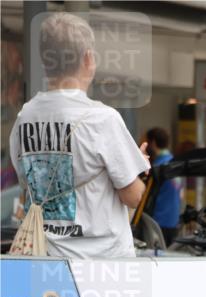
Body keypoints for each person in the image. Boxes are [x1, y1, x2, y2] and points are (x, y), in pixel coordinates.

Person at [8, 13, 149, 258]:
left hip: (44, 258)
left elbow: (27, 182)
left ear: (45, 60)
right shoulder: (103, 119)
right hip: (103, 266)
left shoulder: (24, 118)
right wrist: (140, 165)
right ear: (87, 58)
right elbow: (134, 196)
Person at [145, 127, 181, 245]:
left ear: (153, 142)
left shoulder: (157, 167)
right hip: (173, 220)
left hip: (158, 222)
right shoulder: (174, 163)